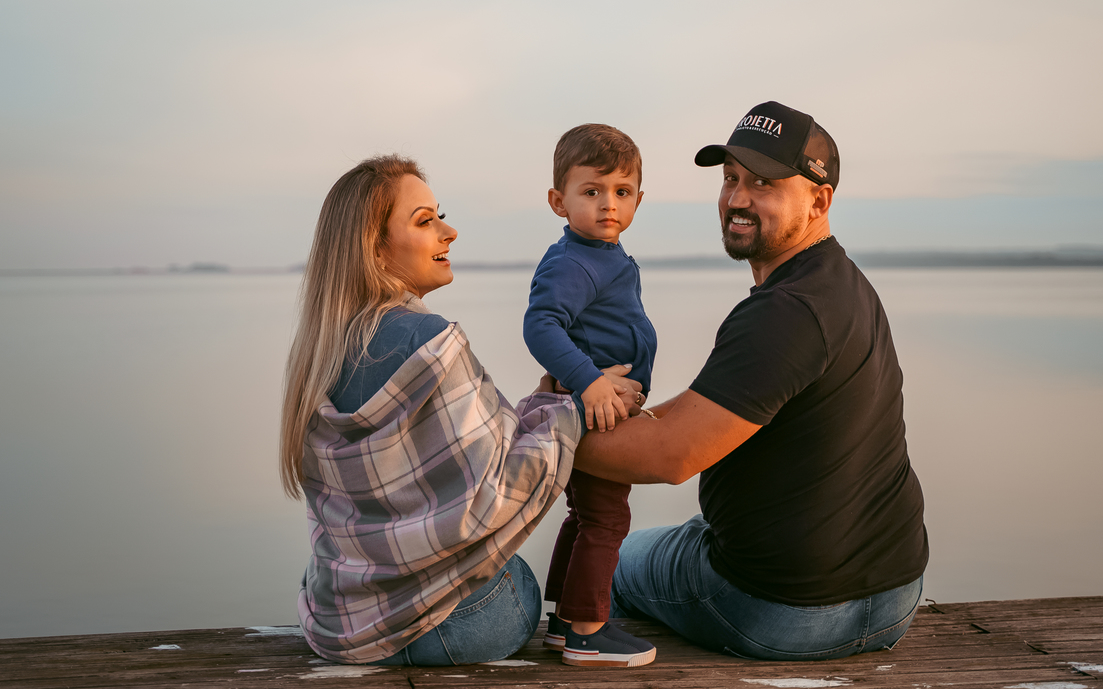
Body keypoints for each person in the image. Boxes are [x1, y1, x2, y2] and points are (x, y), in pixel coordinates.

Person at [573, 101, 929, 660]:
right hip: (893, 597)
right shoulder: (842, 284)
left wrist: (533, 435)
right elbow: (703, 409)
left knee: (605, 566)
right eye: (731, 179)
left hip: (783, 612)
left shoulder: (784, 312)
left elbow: (670, 457)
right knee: (688, 532)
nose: (738, 199)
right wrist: (618, 414)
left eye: (764, 183)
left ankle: (587, 655)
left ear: (819, 199)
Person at [278, 155, 641, 666]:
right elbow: (494, 495)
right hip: (446, 629)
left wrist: (551, 400)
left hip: (336, 620)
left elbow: (452, 468)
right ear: (375, 251)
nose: (449, 232)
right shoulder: (431, 341)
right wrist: (579, 409)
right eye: (425, 221)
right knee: (517, 582)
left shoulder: (319, 351)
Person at [523, 124, 658, 667]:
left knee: (585, 517)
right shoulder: (573, 261)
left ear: (638, 201)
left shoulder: (606, 257)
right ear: (560, 201)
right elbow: (541, 326)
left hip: (599, 410)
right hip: (592, 412)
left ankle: (562, 620)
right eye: (591, 191)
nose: (608, 205)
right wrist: (590, 380)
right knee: (607, 520)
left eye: (621, 192)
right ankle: (588, 631)